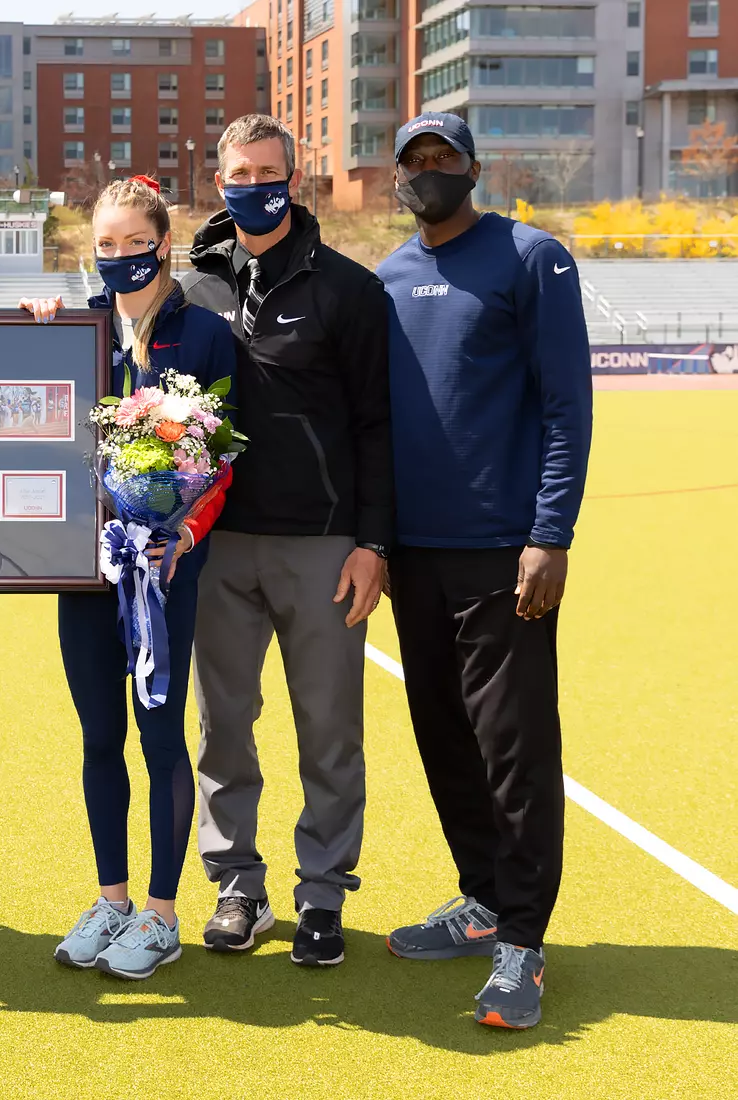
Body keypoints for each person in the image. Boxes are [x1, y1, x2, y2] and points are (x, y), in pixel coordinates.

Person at [376, 112, 591, 1030]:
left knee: (514, 750)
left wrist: (550, 534)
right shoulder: (386, 277)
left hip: (505, 554)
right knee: (444, 739)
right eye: (414, 161)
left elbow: (565, 404)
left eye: (444, 160)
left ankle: (524, 944)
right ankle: (482, 900)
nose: (429, 173)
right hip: (413, 556)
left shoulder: (531, 257)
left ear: (472, 169)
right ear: (397, 176)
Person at [175, 113, 392, 967]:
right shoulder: (193, 286)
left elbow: (378, 425)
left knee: (328, 727)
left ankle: (323, 894)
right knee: (222, 724)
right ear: (218, 181)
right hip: (217, 542)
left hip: (324, 546)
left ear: (292, 181)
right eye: (238, 171)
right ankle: (238, 886)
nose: (253, 184)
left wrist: (373, 542)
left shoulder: (349, 289)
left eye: (269, 170)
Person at [18, 175, 239, 980]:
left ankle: (162, 912)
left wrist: (181, 532)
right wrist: (34, 329)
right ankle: (112, 900)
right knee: (97, 735)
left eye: (131, 242)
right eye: (102, 246)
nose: (117, 257)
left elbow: (220, 465)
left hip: (163, 572)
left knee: (158, 734)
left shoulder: (207, 335)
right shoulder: (75, 328)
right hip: (81, 568)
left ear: (163, 244)